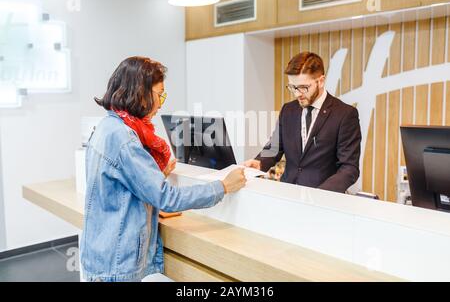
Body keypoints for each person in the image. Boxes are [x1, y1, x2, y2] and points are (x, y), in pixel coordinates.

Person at [80, 56, 246, 282]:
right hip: (118, 263)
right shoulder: (125, 139)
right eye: (160, 95)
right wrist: (223, 186)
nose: (161, 104)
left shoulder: (107, 127)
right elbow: (168, 198)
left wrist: (155, 178)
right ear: (141, 93)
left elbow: (121, 189)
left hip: (104, 255)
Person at [244, 52, 361, 193]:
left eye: (304, 87)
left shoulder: (345, 114)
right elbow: (274, 147)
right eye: (293, 87)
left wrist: (321, 194)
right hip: (288, 195)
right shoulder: (288, 110)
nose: (297, 94)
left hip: (323, 200)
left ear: (321, 81)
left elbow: (349, 168)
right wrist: (259, 163)